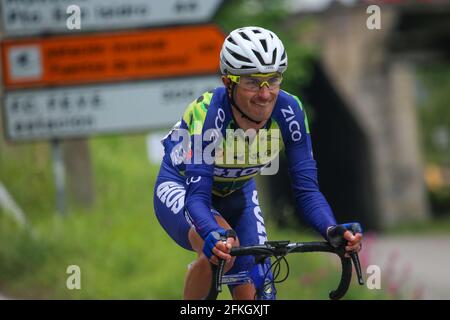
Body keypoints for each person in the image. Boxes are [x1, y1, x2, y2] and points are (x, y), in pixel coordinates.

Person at [153, 26, 363, 300]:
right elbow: (197, 199)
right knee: (220, 252)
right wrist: (213, 235)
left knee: (259, 290)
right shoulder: (208, 113)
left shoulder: (290, 112)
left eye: (273, 80)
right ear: (228, 82)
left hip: (237, 193)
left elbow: (307, 192)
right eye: (252, 82)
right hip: (184, 188)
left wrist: (332, 229)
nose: (265, 94)